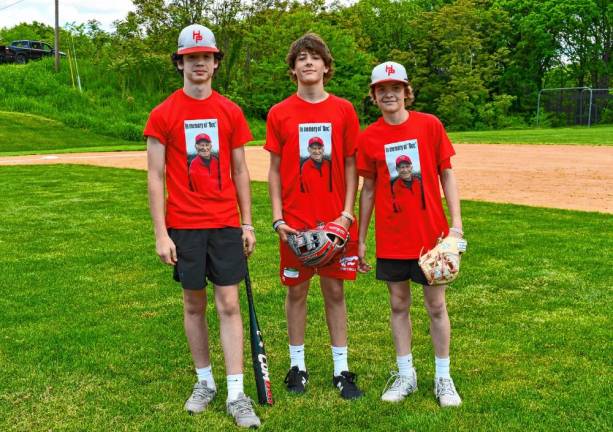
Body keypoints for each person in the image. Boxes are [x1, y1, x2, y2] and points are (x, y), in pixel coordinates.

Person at [144, 24, 260, 428]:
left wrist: (248, 223)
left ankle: (236, 392)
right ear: (180, 63)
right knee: (194, 304)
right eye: (192, 58)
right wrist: (161, 232)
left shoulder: (229, 111)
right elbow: (155, 176)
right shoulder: (164, 113)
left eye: (206, 58)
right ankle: (204, 381)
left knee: (228, 304)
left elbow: (241, 170)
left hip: (225, 223)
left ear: (214, 63)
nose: (199, 64)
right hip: (185, 227)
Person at [357, 61, 464, 407]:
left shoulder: (428, 125)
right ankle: (406, 375)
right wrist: (361, 238)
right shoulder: (369, 136)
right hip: (392, 238)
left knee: (436, 305)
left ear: (406, 91)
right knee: (398, 304)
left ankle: (443, 378)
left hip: (431, 237)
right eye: (381, 89)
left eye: (396, 87)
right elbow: (369, 189)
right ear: (374, 95)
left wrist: (456, 226)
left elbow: (446, 174)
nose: (389, 93)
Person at [265, 33, 363, 399]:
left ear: (326, 66)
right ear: (293, 69)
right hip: (295, 222)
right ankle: (297, 366)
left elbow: (352, 164)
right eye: (300, 58)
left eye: (314, 57)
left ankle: (341, 370)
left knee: (335, 291)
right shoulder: (280, 112)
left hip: (335, 221)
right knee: (297, 293)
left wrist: (347, 214)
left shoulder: (343, 110)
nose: (308, 62)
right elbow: (274, 170)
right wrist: (277, 218)